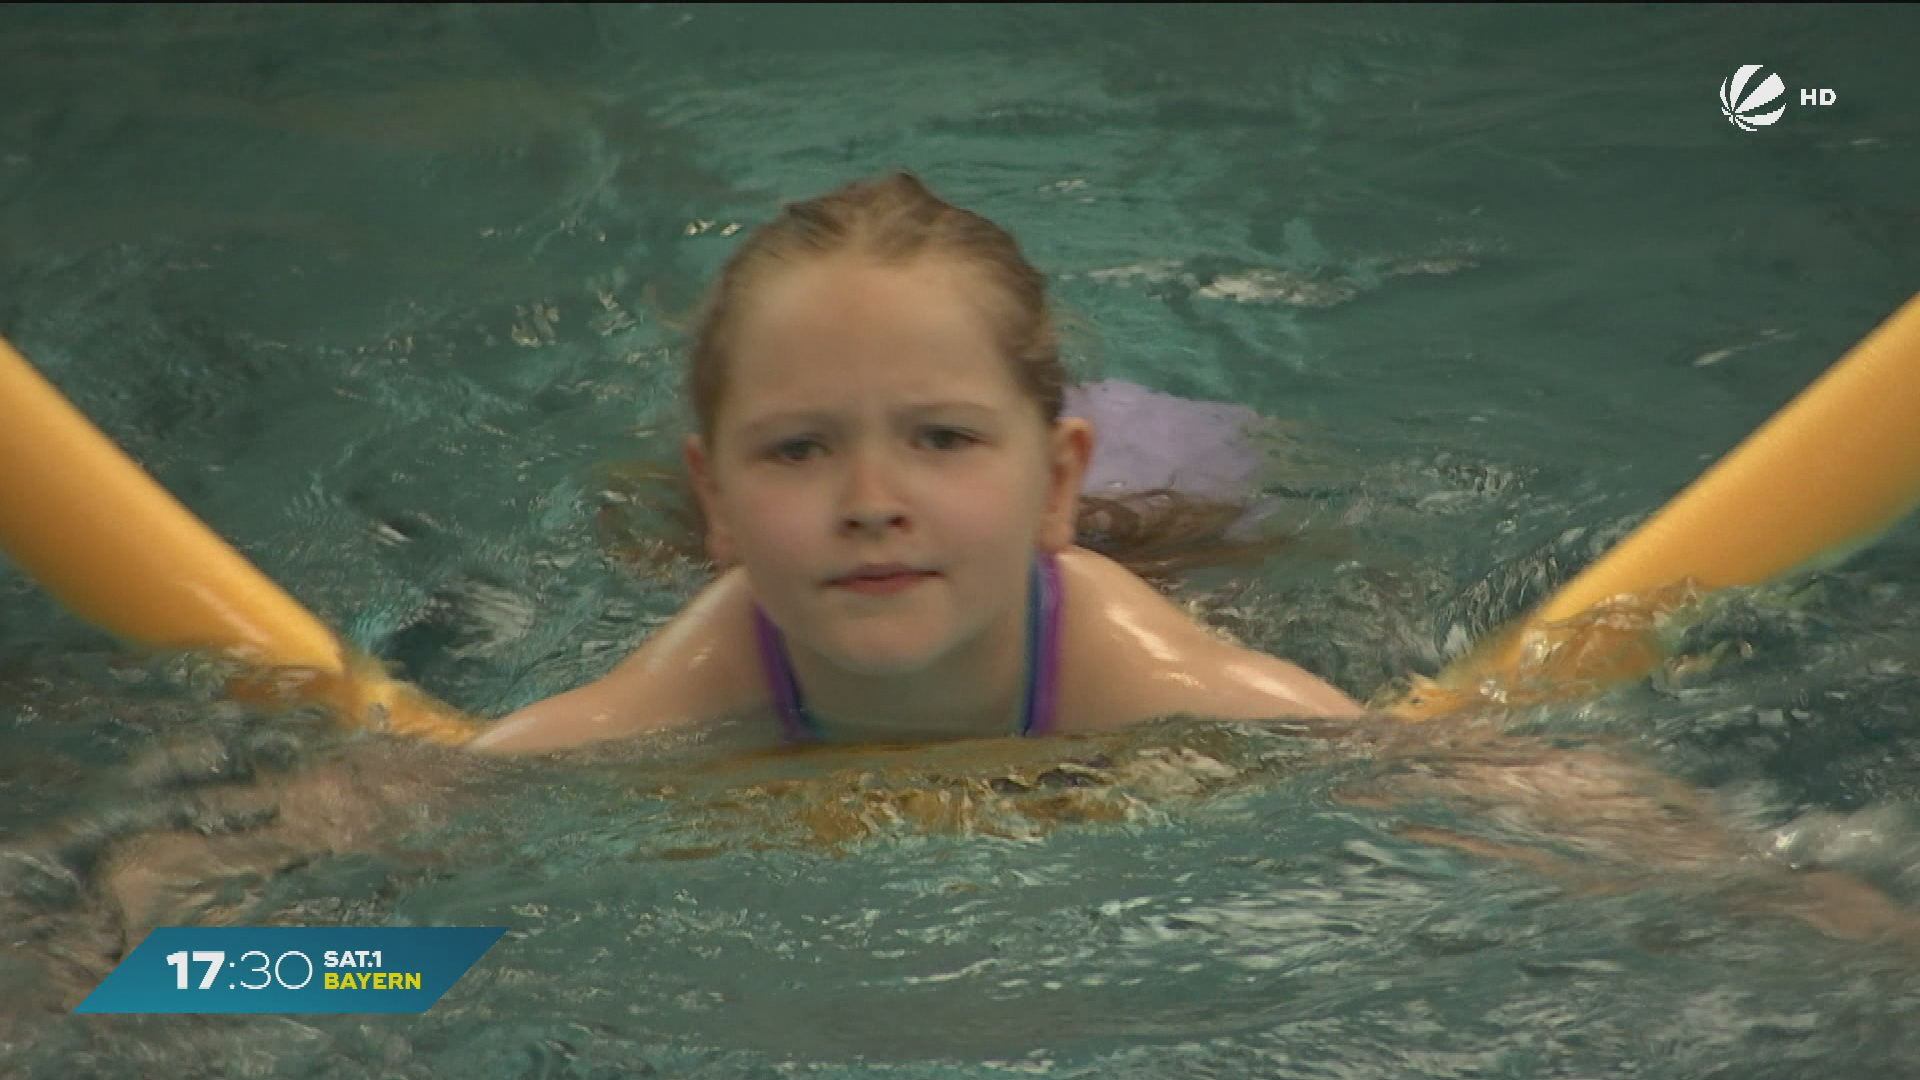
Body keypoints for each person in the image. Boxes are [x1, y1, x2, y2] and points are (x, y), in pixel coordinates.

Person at [473, 172, 1364, 753]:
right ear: (718, 500)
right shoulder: (709, 671)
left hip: (1173, 489)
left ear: (1057, 484)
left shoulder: (1142, 675)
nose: (870, 502)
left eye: (942, 438)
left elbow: (1383, 761)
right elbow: (480, 787)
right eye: (798, 448)